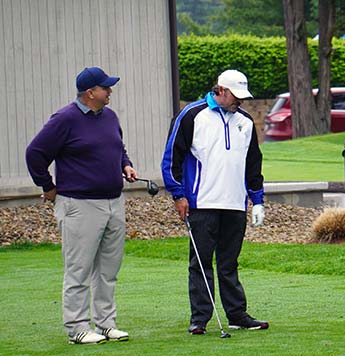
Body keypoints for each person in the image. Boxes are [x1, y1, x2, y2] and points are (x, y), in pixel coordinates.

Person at [25, 67, 134, 345]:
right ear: (90, 93)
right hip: (79, 205)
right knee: (79, 270)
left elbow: (117, 146)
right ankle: (77, 328)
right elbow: (35, 153)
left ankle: (106, 324)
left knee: (108, 269)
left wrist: (126, 164)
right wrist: (48, 187)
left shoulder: (109, 116)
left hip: (113, 202)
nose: (110, 91)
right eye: (105, 88)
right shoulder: (65, 119)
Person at [161, 69, 268, 335]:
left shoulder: (244, 121)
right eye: (235, 96)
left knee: (229, 262)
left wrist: (257, 200)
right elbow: (172, 158)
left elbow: (253, 163)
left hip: (234, 203)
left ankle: (236, 314)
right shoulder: (192, 115)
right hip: (202, 203)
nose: (239, 102)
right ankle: (200, 318)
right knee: (200, 263)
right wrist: (178, 194)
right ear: (219, 90)